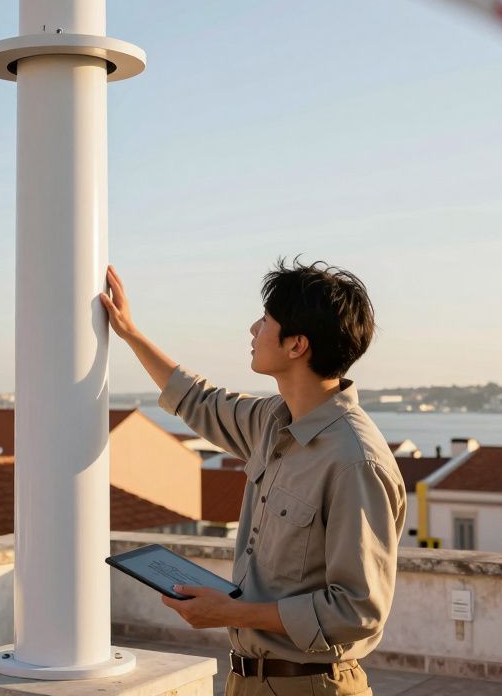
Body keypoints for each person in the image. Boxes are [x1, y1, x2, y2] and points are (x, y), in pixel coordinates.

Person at [101, 259, 405, 696]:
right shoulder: (272, 421)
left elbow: (356, 610)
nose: (252, 329)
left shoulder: (356, 462)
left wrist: (232, 612)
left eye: (265, 320)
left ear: (296, 345)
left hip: (313, 687)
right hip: (245, 681)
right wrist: (130, 332)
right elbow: (198, 400)